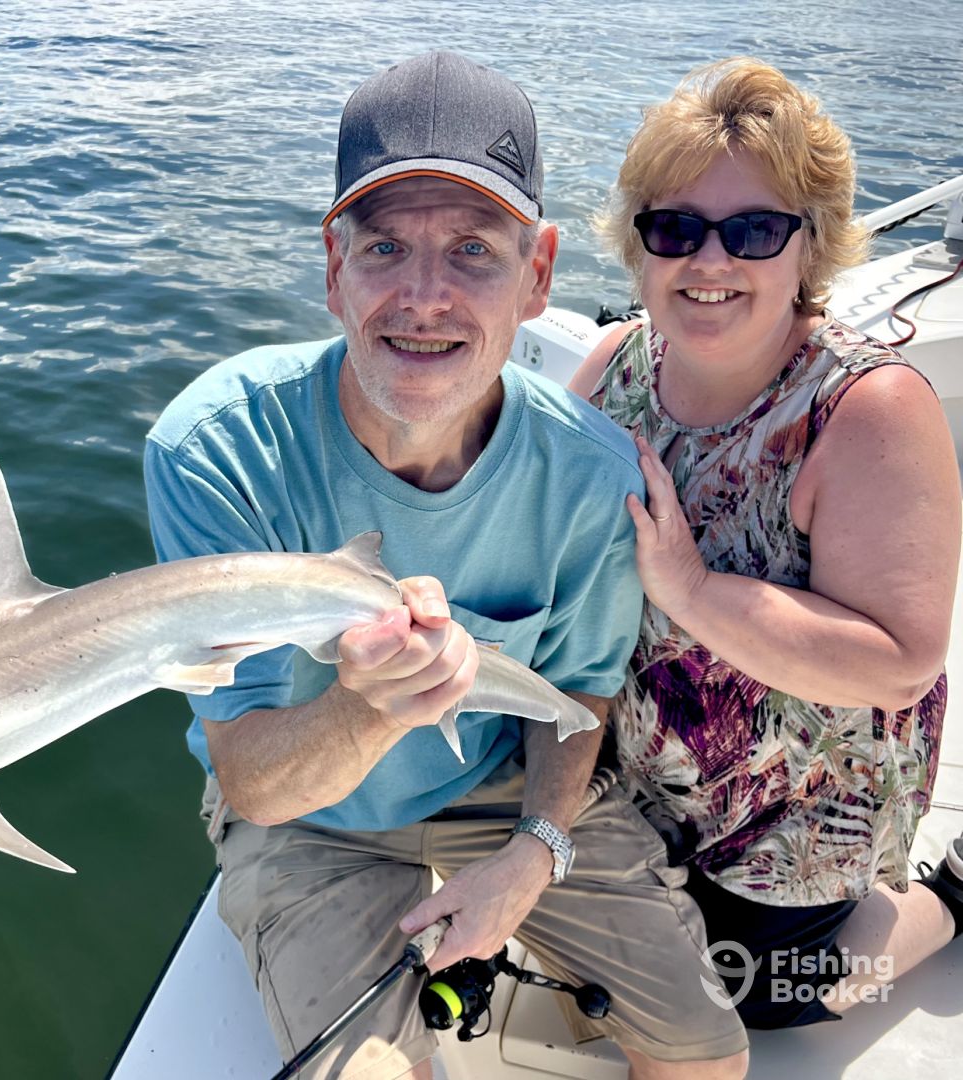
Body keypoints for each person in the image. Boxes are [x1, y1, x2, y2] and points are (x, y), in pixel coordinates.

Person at [145, 52, 749, 1079]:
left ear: (538, 274)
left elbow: (576, 690)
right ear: (334, 266)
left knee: (707, 1058)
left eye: (473, 250)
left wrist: (535, 852)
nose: (424, 299)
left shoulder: (595, 475)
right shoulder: (217, 453)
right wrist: (370, 705)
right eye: (385, 246)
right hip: (311, 820)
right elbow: (254, 779)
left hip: (502, 783)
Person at [569, 57, 963, 1030]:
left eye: (752, 231)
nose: (709, 262)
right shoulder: (613, 366)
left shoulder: (867, 410)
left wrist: (693, 589)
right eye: (675, 228)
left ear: (810, 245)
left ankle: (953, 898)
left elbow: (900, 663)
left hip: (791, 812)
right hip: (635, 772)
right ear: (638, 243)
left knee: (753, 999)